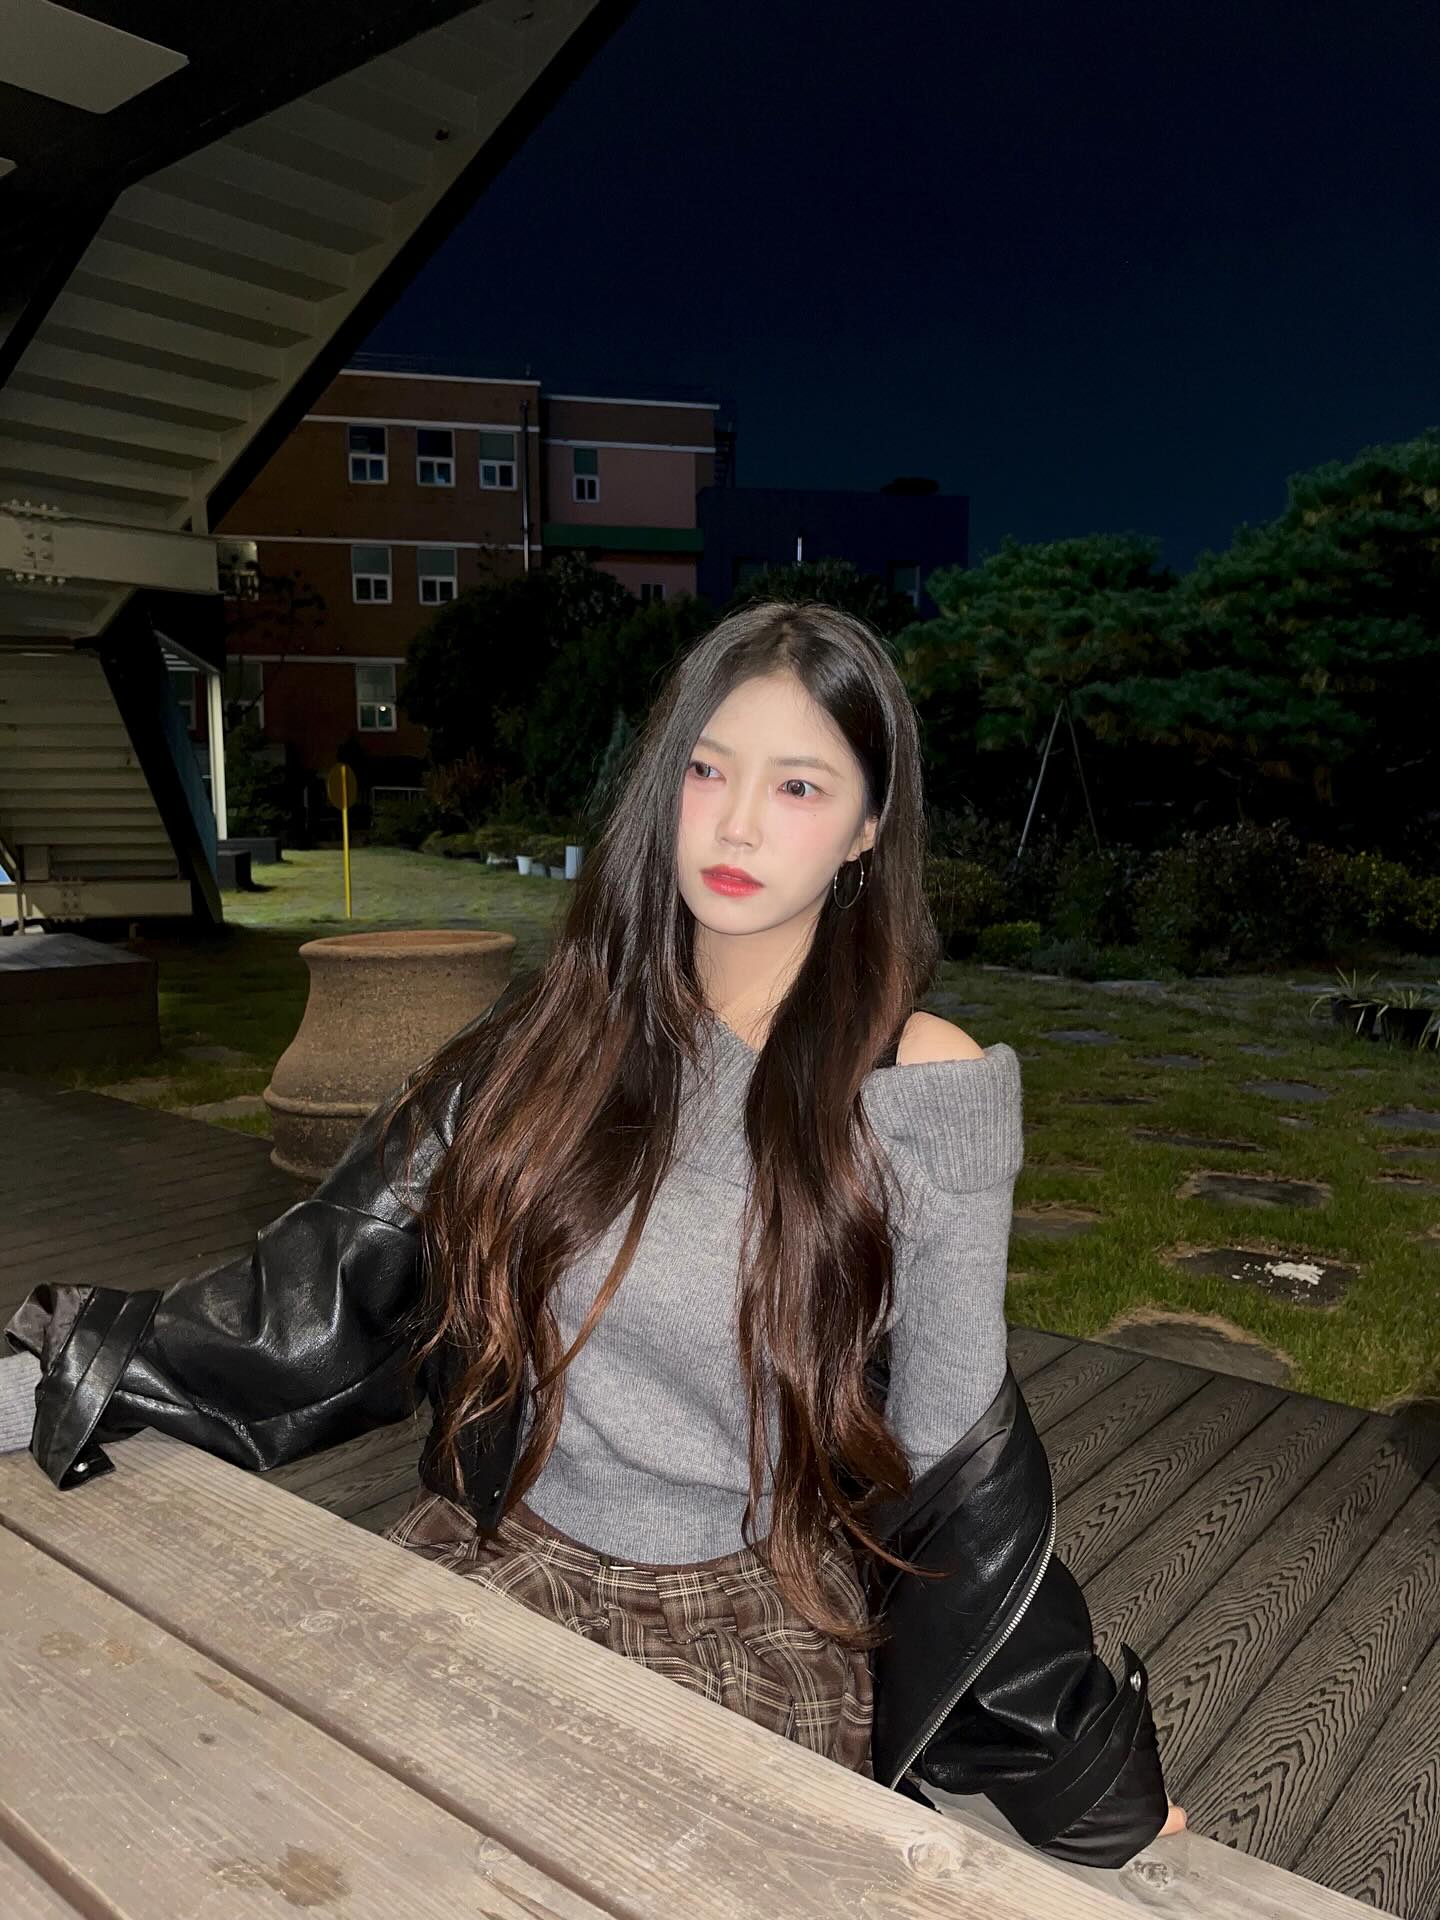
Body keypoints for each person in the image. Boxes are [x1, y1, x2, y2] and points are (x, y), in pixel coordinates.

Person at [2, 600, 1185, 1863]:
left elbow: (957, 1468)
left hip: (735, 1632)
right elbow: (330, 1281)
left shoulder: (917, 1085)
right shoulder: (554, 1035)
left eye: (797, 785)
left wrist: (1075, 1762)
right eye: (706, 770)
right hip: (496, 1559)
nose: (736, 823)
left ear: (867, 828)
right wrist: (54, 1379)